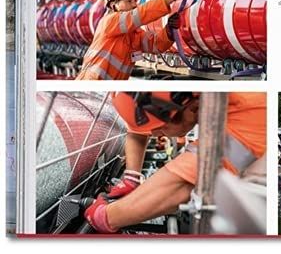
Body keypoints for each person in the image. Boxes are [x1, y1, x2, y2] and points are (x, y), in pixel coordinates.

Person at [84, 92, 267, 233]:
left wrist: (105, 216)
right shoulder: (200, 100)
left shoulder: (251, 111)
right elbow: (140, 130)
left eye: (159, 129)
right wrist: (131, 176)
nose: (154, 136)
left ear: (193, 109)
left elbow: (184, 185)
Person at [75, 0, 195, 80]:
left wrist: (168, 31)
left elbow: (155, 45)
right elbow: (140, 14)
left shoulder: (133, 34)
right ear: (113, 5)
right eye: (128, 1)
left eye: (134, 1)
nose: (134, 5)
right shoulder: (109, 22)